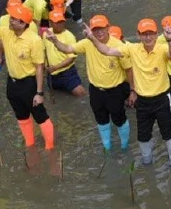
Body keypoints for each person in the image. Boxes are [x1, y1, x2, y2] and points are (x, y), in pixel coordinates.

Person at [82, 18, 171, 166]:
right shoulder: (132, 49)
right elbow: (107, 50)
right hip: (143, 102)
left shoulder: (162, 48)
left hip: (162, 100)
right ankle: (147, 163)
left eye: (151, 33)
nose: (147, 37)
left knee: (168, 134)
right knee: (143, 137)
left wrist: (170, 40)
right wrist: (92, 38)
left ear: (156, 34)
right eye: (144, 34)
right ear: (138, 35)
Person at [47, 14, 132, 152]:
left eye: (102, 28)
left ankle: (124, 146)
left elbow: (129, 70)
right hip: (96, 90)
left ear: (108, 27)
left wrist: (133, 92)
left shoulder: (118, 46)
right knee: (101, 120)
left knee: (119, 119)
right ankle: (107, 147)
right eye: (95, 29)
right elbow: (68, 49)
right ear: (91, 30)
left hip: (115, 90)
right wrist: (55, 41)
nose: (99, 32)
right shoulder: (87, 43)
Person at [0, 0, 55, 150]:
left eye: (13, 19)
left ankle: (50, 148)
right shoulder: (6, 32)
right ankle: (30, 145)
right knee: (21, 116)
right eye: (10, 17)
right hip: (12, 84)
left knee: (40, 116)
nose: (10, 20)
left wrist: (39, 93)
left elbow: (39, 68)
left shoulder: (34, 40)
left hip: (29, 84)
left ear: (22, 23)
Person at [43, 11, 86, 98]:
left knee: (80, 93)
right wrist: (44, 66)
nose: (60, 24)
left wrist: (55, 67)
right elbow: (43, 51)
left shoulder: (69, 36)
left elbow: (71, 59)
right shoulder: (46, 33)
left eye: (61, 22)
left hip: (67, 74)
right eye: (57, 22)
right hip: (51, 75)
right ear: (50, 22)